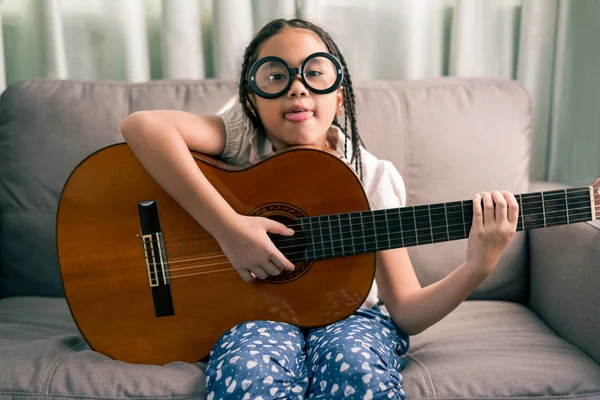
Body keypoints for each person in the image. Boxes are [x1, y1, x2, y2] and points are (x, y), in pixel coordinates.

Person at [120, 18, 519, 400]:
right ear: (252, 101)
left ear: (339, 96)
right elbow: (142, 127)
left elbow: (407, 311)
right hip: (255, 316)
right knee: (249, 372)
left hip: (351, 318)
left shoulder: (371, 177)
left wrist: (476, 268)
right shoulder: (241, 138)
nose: (297, 88)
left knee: (355, 366)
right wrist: (229, 230)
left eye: (315, 73)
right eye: (275, 76)